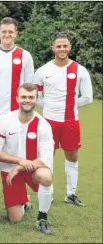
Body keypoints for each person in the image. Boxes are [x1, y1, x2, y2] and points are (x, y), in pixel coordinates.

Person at [33, 32, 93, 206]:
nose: (62, 49)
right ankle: (48, 192)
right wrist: (50, 106)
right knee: (47, 156)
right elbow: (34, 97)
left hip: (70, 121)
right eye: (58, 46)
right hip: (48, 121)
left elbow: (88, 97)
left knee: (72, 155)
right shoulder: (43, 71)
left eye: (65, 46)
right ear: (52, 48)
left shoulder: (80, 70)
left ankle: (71, 193)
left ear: (69, 47)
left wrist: (69, 106)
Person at [0, 17, 34, 203]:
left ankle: (20, 193)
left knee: (16, 152)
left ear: (16, 33)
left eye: (10, 31)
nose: (7, 35)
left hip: (16, 114)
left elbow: (29, 86)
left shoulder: (25, 55)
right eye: (4, 31)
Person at [0, 83, 54, 234]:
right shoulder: (4, 120)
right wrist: (19, 161)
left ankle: (42, 217)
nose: (27, 100)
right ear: (17, 98)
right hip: (10, 170)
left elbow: (46, 159)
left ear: (36, 100)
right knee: (15, 219)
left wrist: (21, 166)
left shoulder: (43, 125)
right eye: (24, 97)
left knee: (46, 176)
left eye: (31, 97)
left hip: (34, 169)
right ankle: (25, 201)